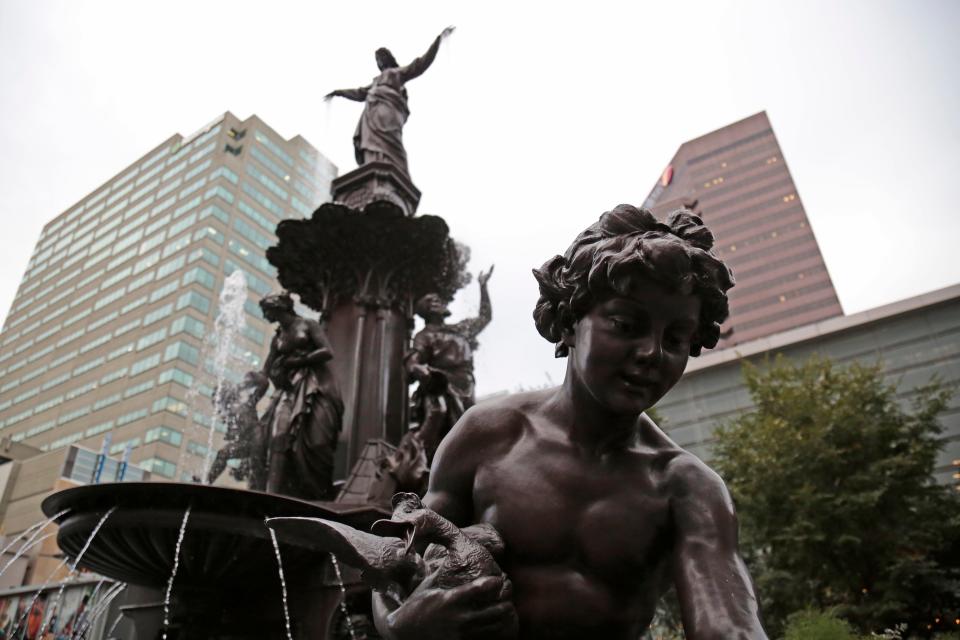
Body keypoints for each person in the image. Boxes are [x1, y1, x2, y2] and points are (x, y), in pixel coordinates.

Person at [373, 205, 767, 639]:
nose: (653, 352)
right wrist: (398, 627)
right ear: (569, 323)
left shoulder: (687, 487)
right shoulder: (487, 434)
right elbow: (398, 559)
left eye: (676, 339)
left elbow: (729, 626)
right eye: (626, 324)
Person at [325, 27, 455, 177]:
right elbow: (360, 93)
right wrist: (339, 92)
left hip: (389, 110)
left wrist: (438, 40)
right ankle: (372, 169)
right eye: (376, 60)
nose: (378, 62)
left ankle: (398, 174)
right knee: (369, 142)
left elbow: (421, 63)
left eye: (380, 58)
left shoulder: (397, 73)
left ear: (387, 58)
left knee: (391, 141)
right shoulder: (376, 82)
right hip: (371, 113)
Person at [259, 292, 344, 500]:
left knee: (317, 442)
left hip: (314, 385)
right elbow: (266, 369)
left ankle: (321, 494)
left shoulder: (307, 325)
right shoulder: (277, 337)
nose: (264, 315)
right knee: (276, 437)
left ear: (279, 307)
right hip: (288, 388)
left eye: (266, 310)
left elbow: (327, 351)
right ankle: (273, 495)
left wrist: (298, 361)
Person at [406, 266, 493, 463]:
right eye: (432, 301)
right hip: (442, 385)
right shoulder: (424, 336)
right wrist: (419, 370)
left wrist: (483, 286)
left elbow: (484, 317)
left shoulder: (460, 329)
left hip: (466, 384)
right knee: (444, 428)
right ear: (425, 311)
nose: (438, 301)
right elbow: (414, 360)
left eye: (438, 299)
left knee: (468, 431)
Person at [206, 371, 270, 489]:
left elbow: (264, 383)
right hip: (244, 444)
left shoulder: (248, 402)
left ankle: (262, 492)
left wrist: (243, 385)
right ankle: (206, 482)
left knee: (257, 469)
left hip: (257, 439)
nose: (220, 403)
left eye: (220, 397)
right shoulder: (228, 415)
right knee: (223, 453)